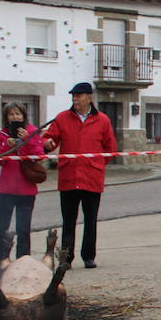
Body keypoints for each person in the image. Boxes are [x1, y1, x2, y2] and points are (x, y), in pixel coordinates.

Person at [42, 81, 117, 268]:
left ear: (89, 97)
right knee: (68, 220)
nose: (75, 99)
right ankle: (66, 259)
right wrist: (47, 143)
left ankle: (89, 257)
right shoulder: (62, 118)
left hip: (92, 178)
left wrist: (96, 164)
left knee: (90, 220)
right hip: (69, 177)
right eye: (73, 96)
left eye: (78, 95)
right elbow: (48, 139)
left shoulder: (103, 120)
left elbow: (110, 148)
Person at [0, 101, 45, 274]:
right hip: (4, 189)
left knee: (23, 228)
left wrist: (28, 140)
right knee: (0, 227)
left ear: (24, 116)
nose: (15, 117)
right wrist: (6, 145)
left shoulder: (33, 132)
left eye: (18, 113)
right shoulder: (1, 135)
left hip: (26, 188)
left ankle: (23, 261)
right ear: (6, 117)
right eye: (11, 114)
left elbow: (39, 155)